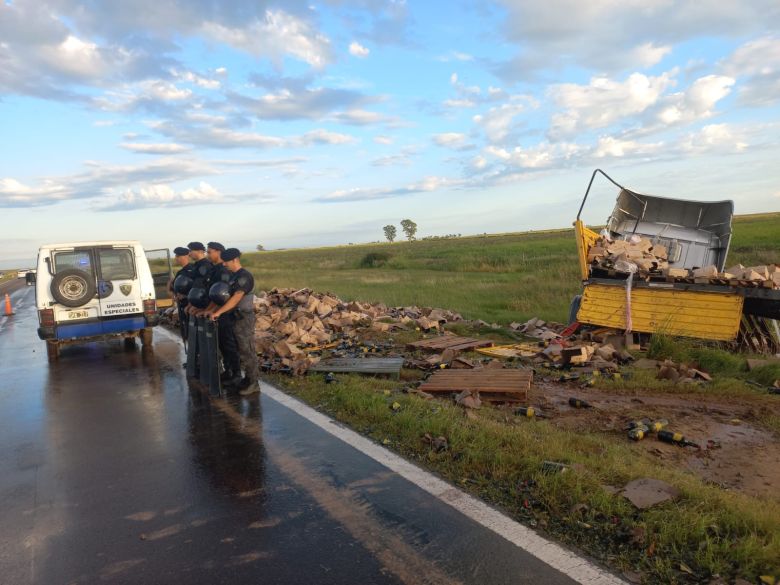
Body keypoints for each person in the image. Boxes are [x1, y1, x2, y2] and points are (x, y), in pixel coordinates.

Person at [209, 248, 259, 396]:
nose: (224, 264)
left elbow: (236, 298)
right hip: (234, 318)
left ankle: (253, 382)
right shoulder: (233, 276)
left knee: (246, 350)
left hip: (243, 318)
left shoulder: (244, 276)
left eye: (226, 261)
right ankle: (246, 379)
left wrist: (218, 312)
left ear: (235, 260)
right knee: (238, 349)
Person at [197, 242, 240, 384]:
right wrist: (208, 310)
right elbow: (213, 294)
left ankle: (236, 374)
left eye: (209, 252)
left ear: (218, 252)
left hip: (225, 314)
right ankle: (228, 371)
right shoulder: (215, 269)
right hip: (218, 313)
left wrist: (212, 310)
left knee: (229, 345)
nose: (207, 255)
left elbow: (221, 296)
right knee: (222, 344)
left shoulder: (224, 271)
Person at [169, 246, 193, 342]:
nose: (176, 258)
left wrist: (185, 296)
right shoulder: (180, 272)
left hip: (191, 306)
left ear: (186, 256)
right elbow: (173, 288)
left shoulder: (193, 270)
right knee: (185, 331)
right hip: (182, 305)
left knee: (192, 331)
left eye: (178, 256)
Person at [186, 241, 211, 316]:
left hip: (203, 302)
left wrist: (202, 307)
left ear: (200, 251)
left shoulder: (206, 265)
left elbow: (205, 286)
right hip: (194, 301)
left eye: (191, 251)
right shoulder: (196, 265)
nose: (189, 254)